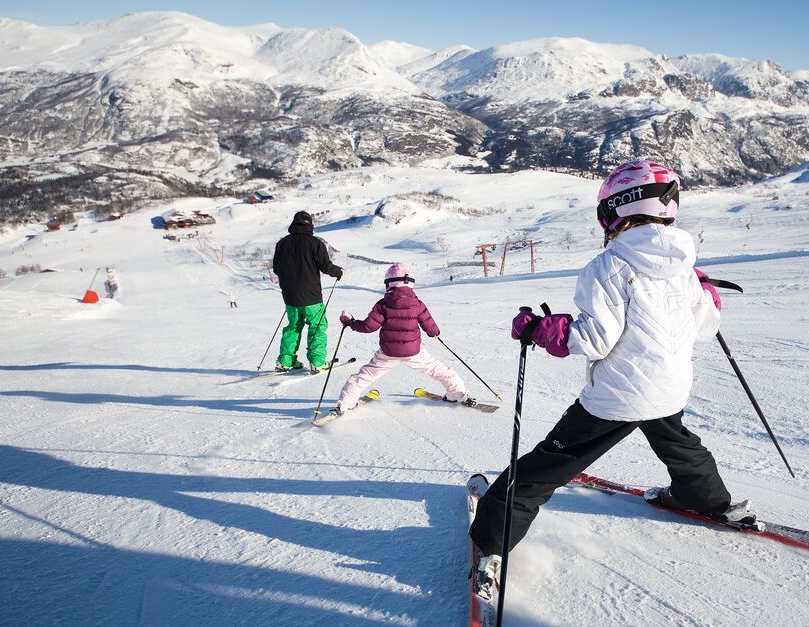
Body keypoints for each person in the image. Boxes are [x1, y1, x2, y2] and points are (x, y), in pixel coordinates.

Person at [469, 160, 756, 588]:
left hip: (618, 395)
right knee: (679, 444)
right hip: (670, 386)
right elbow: (705, 327)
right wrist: (707, 294)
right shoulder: (686, 265)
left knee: (547, 465)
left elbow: (594, 340)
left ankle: (489, 542)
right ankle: (711, 502)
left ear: (617, 209)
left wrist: (540, 328)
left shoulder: (609, 266)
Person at [332, 263, 475, 415]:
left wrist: (350, 322)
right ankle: (457, 394)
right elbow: (430, 326)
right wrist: (434, 333)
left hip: (388, 353)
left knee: (365, 375)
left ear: (389, 284)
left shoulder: (383, 305)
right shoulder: (417, 304)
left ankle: (346, 403)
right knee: (438, 370)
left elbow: (369, 327)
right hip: (414, 352)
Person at [272, 211, 345, 373]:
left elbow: (277, 269)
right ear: (310, 225)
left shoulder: (282, 244)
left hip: (290, 296)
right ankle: (317, 362)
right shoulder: (315, 243)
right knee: (318, 325)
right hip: (311, 295)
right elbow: (326, 267)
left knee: (293, 326)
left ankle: (285, 360)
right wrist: (338, 272)